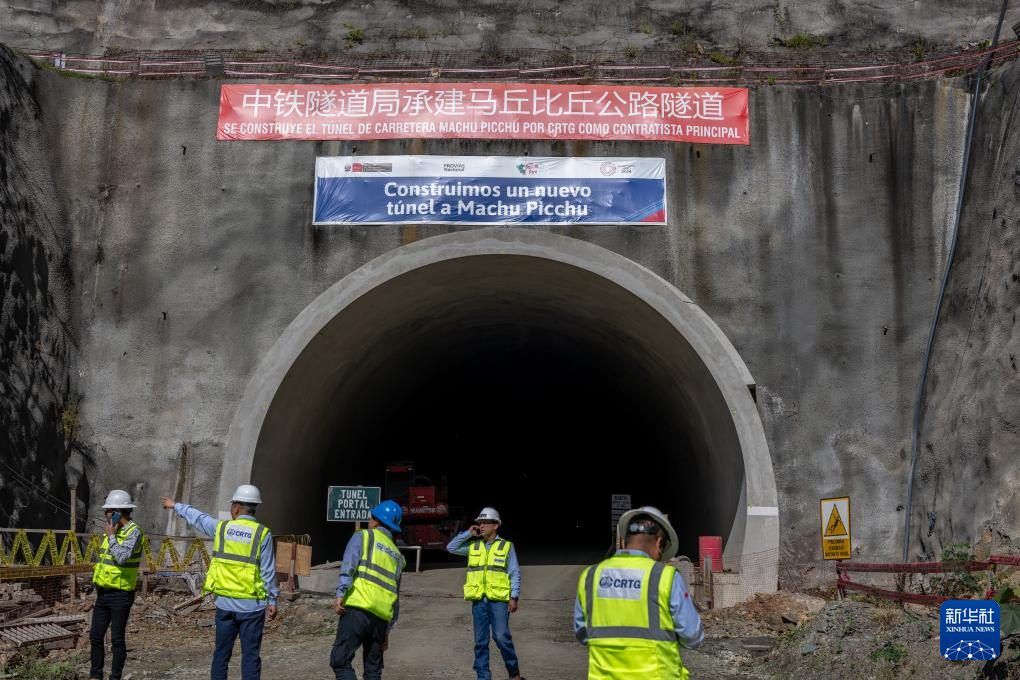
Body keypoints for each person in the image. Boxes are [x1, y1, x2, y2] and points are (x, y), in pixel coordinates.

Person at [161, 485, 278, 680]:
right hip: (251, 606)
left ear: (237, 507)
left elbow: (199, 518)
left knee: (221, 655)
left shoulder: (222, 528)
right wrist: (272, 601)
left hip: (224, 605)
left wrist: (176, 506)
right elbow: (268, 571)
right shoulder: (262, 534)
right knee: (250, 657)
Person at [574, 505, 704, 680]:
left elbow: (582, 633)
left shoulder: (591, 576)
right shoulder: (664, 577)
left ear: (624, 540)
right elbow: (692, 636)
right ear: (659, 543)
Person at [446, 507, 525, 680]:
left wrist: (514, 596)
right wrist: (467, 533)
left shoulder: (506, 546)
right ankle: (483, 676)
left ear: (496, 525)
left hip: (499, 600)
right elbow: (451, 547)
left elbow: (514, 572)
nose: (481, 526)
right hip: (479, 601)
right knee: (481, 642)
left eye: (485, 523)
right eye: (479, 523)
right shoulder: (473, 545)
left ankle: (514, 672)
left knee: (501, 637)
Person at [330, 500, 405, 680]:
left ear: (376, 521)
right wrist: (387, 629)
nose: (369, 521)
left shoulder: (363, 536)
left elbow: (349, 566)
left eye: (371, 517)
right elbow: (395, 596)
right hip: (380, 619)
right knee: (373, 670)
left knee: (340, 661)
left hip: (357, 608)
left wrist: (341, 593)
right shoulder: (398, 556)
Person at [90, 489, 144, 680]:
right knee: (95, 636)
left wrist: (111, 536)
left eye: (109, 511)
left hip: (121, 595)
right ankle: (95, 675)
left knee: (117, 640)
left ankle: (115, 677)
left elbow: (121, 557)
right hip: (103, 593)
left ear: (118, 512)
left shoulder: (133, 532)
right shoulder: (111, 532)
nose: (106, 515)